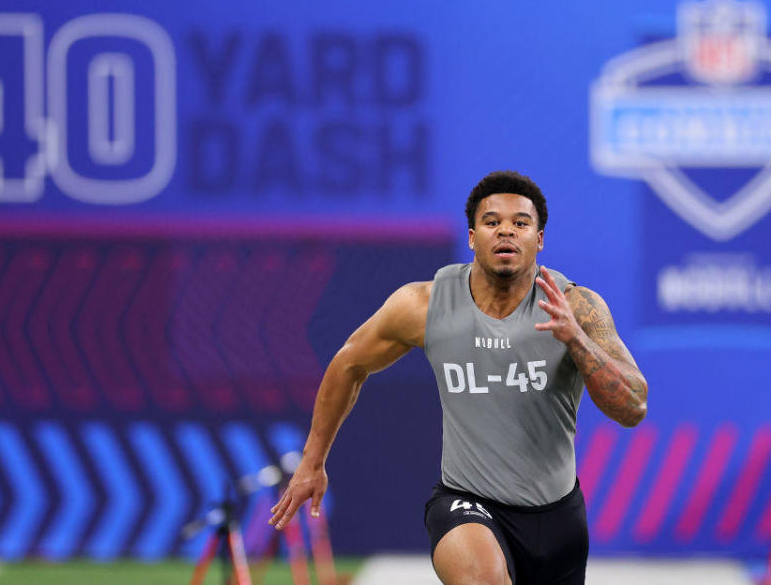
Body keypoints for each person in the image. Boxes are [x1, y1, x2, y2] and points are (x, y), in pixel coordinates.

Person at [269, 171, 648, 584]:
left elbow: (633, 406)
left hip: (557, 518)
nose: (506, 230)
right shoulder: (424, 305)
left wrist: (576, 340)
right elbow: (348, 363)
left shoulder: (577, 306)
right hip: (465, 502)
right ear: (472, 237)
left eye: (521, 223)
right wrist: (312, 461)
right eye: (492, 222)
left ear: (539, 240)